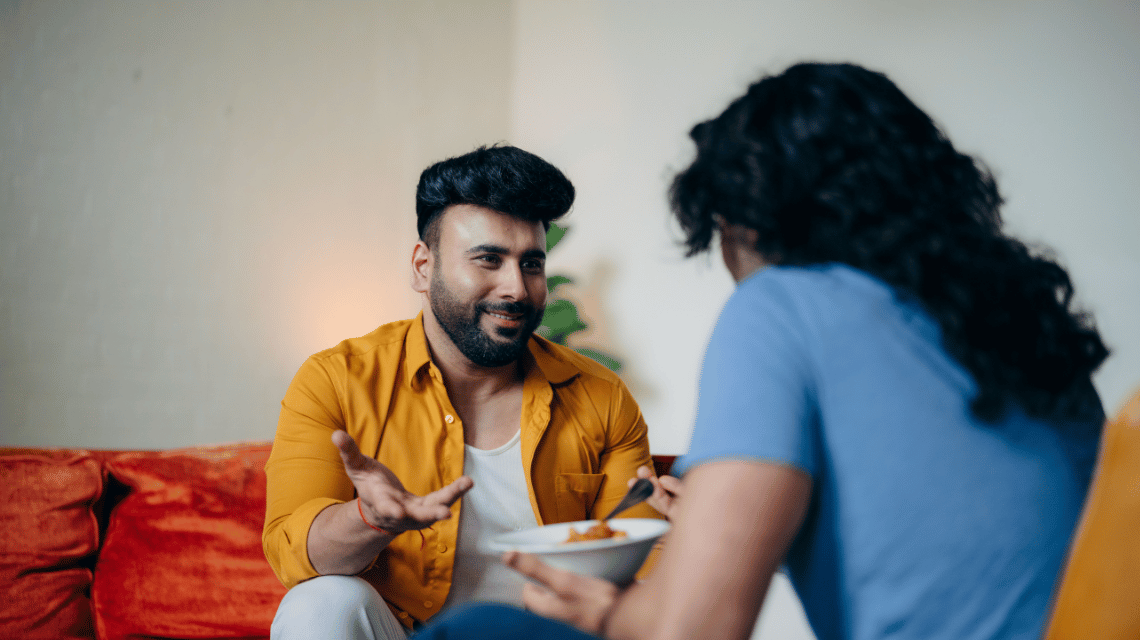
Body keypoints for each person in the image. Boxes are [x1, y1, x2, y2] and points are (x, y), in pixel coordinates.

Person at [412, 62, 1110, 640]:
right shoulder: (1028, 324)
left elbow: (698, 630)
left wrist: (609, 612)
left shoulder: (784, 306)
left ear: (743, 219)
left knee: (476, 632)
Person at [262, 145, 662, 640]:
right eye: (489, 259)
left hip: (551, 635)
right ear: (422, 267)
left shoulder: (601, 396)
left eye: (531, 264)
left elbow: (642, 564)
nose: (516, 287)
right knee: (321, 603)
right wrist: (369, 517)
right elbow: (293, 553)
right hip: (407, 632)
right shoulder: (337, 381)